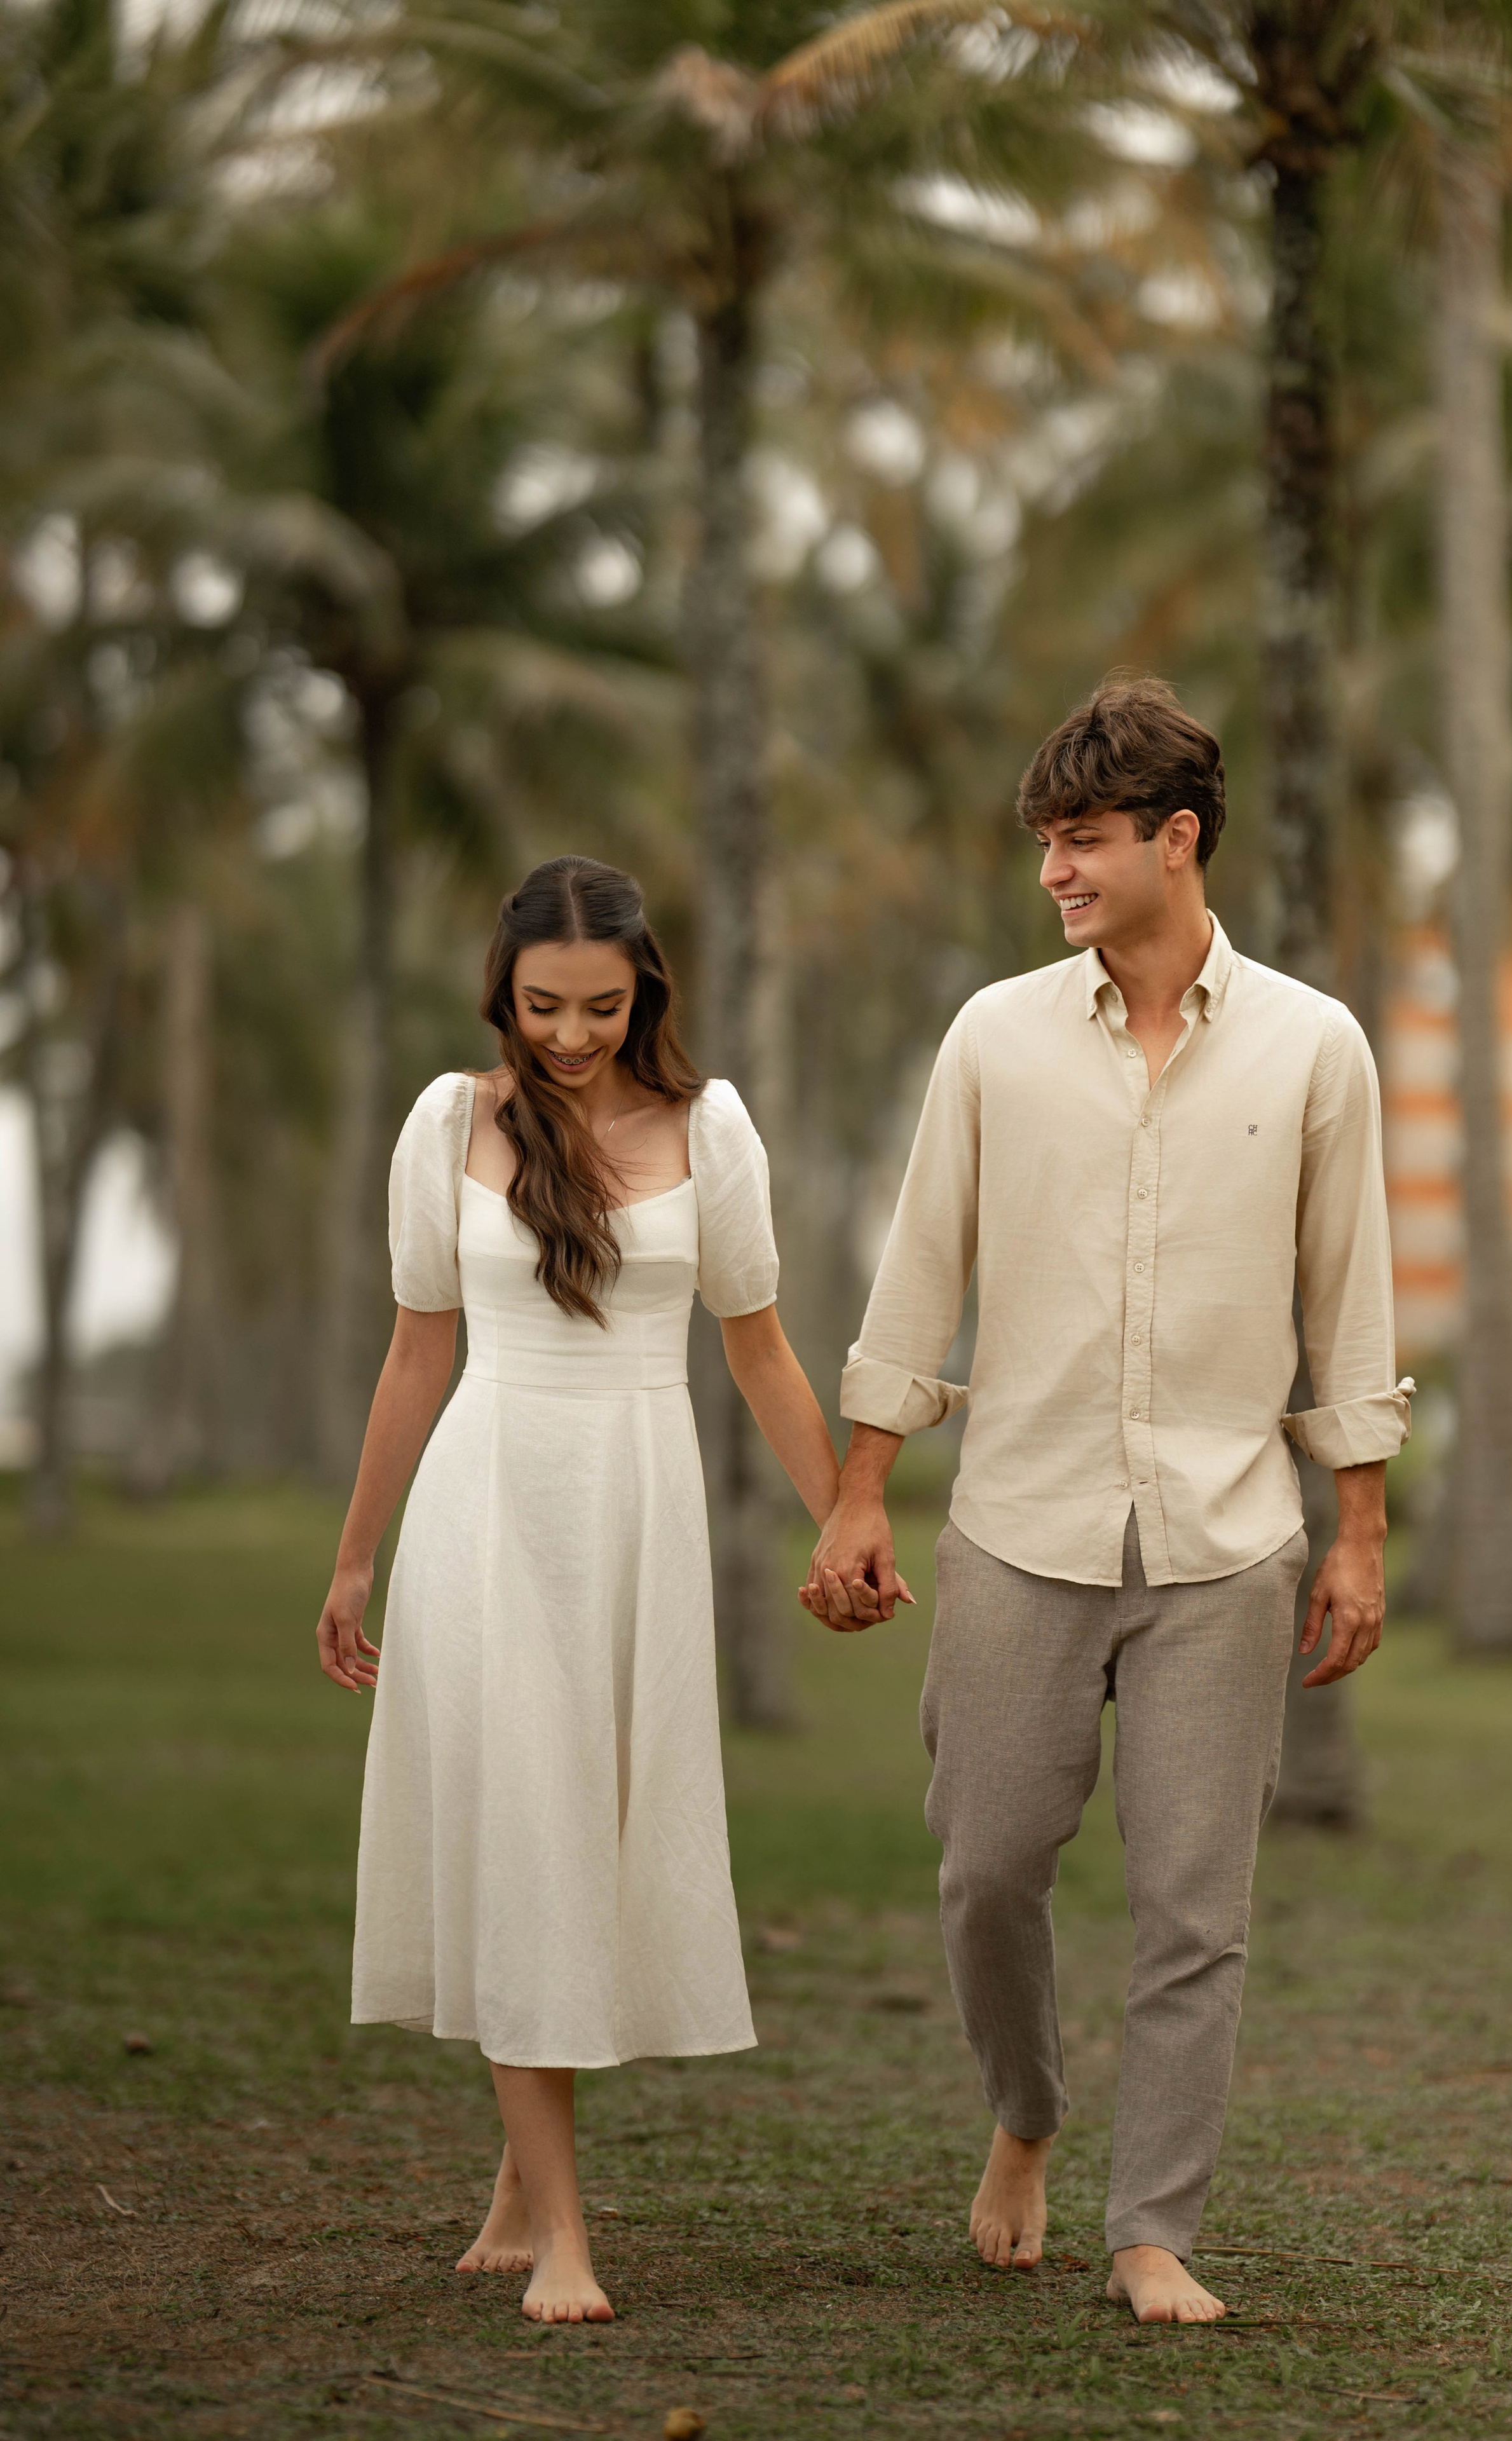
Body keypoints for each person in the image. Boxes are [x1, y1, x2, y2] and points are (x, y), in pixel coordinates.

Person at [801, 676, 1411, 2325]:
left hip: (1227, 1538)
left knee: (1195, 1911)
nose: (1054, 873)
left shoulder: (1313, 1045)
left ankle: (1152, 2229)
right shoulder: (993, 1038)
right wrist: (861, 1492)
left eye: (1081, 842)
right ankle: (1026, 2111)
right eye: (1046, 845)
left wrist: (1358, 1533)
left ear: (1175, 839)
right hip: (1020, 1522)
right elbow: (919, 1273)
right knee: (987, 1866)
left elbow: (1350, 1303)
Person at [317, 855, 838, 2326]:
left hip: (636, 1510)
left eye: (598, 1007)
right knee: (524, 1829)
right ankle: (562, 2236)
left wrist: (843, 1521)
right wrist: (355, 1557)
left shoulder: (708, 1127)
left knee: (584, 1837)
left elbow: (757, 1348)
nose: (567, 1034)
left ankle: (516, 2179)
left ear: (642, 992)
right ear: (503, 991)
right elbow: (416, 1352)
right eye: (542, 1006)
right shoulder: (447, 1123)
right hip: (486, 1508)